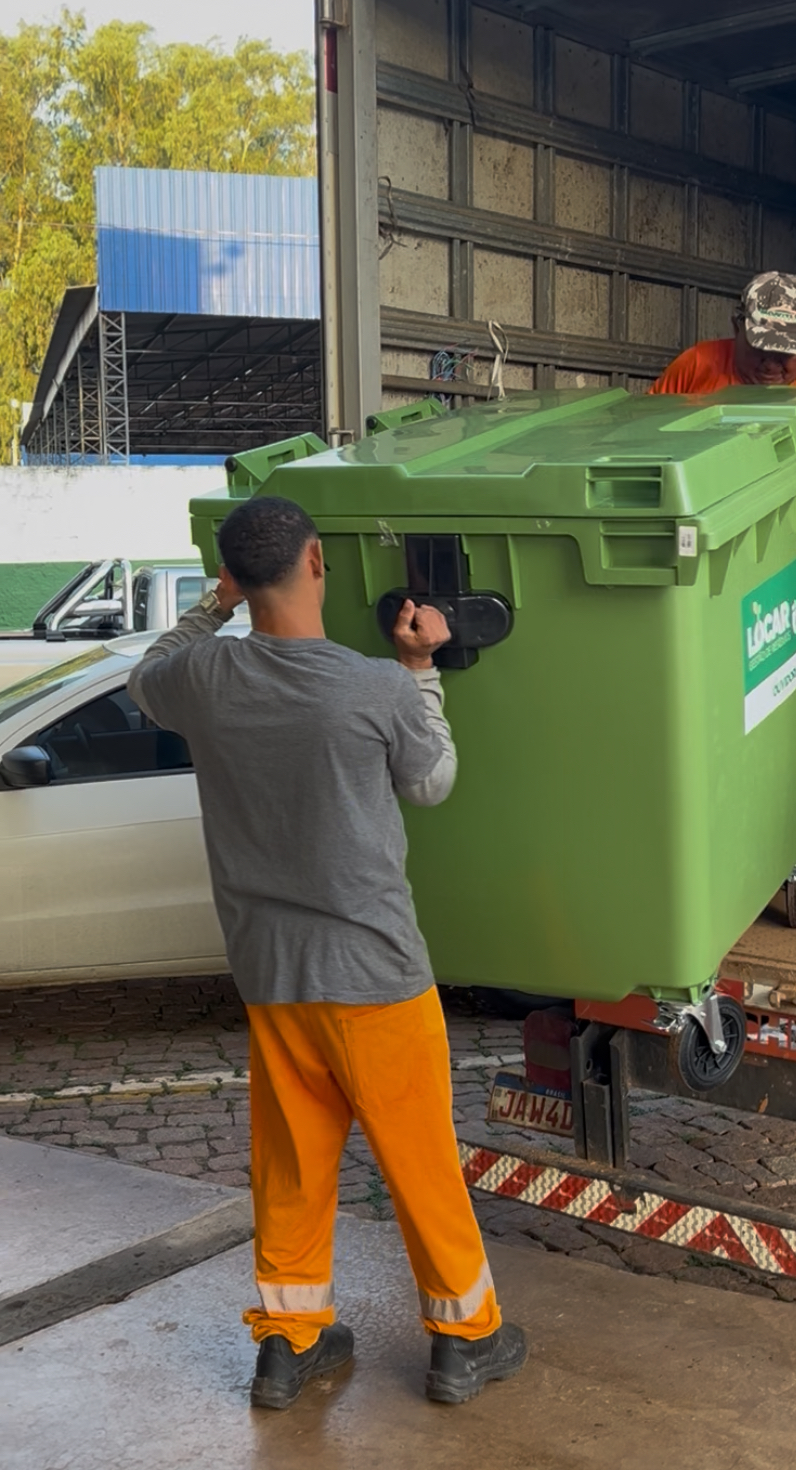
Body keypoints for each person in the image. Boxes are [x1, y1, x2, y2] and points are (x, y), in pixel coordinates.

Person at [128, 495, 528, 1410]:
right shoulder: (372, 685)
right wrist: (421, 667)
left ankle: (289, 1342)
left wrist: (215, 605)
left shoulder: (205, 677)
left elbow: (147, 671)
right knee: (418, 1156)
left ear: (236, 577)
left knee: (292, 1163)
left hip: (270, 970)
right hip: (375, 970)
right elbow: (431, 782)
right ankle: (466, 1337)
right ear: (316, 562)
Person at [652, 271, 796, 916]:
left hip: (792, 583)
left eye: (787, 351)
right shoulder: (694, 371)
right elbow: (646, 453)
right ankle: (720, 865)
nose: (772, 363)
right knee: (708, 726)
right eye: (761, 347)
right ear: (738, 327)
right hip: (709, 589)